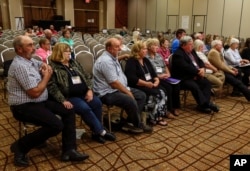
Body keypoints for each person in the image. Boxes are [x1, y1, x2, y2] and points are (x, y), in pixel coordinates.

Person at [7, 35, 88, 167]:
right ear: (19, 49)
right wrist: (47, 76)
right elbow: (34, 92)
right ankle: (20, 146)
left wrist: (44, 65)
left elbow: (41, 64)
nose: (34, 48)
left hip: (40, 102)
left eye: (33, 44)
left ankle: (69, 150)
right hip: (23, 106)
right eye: (29, 45)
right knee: (56, 125)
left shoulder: (30, 61)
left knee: (68, 110)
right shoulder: (19, 66)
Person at [47, 43, 116, 144]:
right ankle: (101, 131)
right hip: (69, 96)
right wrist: (62, 100)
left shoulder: (74, 63)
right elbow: (52, 87)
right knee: (84, 108)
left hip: (84, 93)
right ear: (59, 52)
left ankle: (96, 133)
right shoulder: (53, 67)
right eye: (66, 51)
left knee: (97, 103)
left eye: (69, 50)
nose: (69, 53)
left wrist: (89, 90)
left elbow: (87, 76)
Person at [93, 38, 153, 133]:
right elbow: (114, 83)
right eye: (117, 47)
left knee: (141, 95)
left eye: (120, 46)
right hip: (107, 92)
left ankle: (130, 121)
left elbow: (114, 61)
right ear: (109, 48)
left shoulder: (112, 56)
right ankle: (137, 124)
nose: (120, 49)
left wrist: (122, 56)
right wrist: (128, 92)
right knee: (130, 99)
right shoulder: (106, 61)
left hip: (117, 88)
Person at [171, 36, 219, 114]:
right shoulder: (178, 54)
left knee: (206, 83)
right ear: (183, 45)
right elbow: (186, 67)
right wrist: (197, 72)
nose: (192, 46)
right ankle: (207, 104)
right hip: (183, 78)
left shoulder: (192, 51)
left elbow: (200, 61)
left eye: (192, 44)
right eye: (190, 44)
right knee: (194, 86)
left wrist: (202, 69)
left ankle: (203, 106)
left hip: (195, 75)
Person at [124, 40, 168, 126]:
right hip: (138, 85)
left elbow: (153, 73)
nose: (146, 50)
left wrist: (157, 80)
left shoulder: (145, 60)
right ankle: (154, 117)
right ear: (138, 50)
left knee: (164, 91)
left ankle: (157, 114)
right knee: (157, 94)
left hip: (150, 84)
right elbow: (131, 78)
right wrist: (146, 83)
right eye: (144, 49)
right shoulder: (131, 61)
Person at [146, 38, 180, 117]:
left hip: (164, 76)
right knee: (168, 87)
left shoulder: (159, 55)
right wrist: (159, 76)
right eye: (155, 45)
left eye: (157, 45)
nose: (157, 47)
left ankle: (175, 107)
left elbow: (165, 66)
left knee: (177, 85)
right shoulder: (146, 58)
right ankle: (168, 109)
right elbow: (148, 72)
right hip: (155, 78)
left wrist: (168, 74)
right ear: (149, 47)